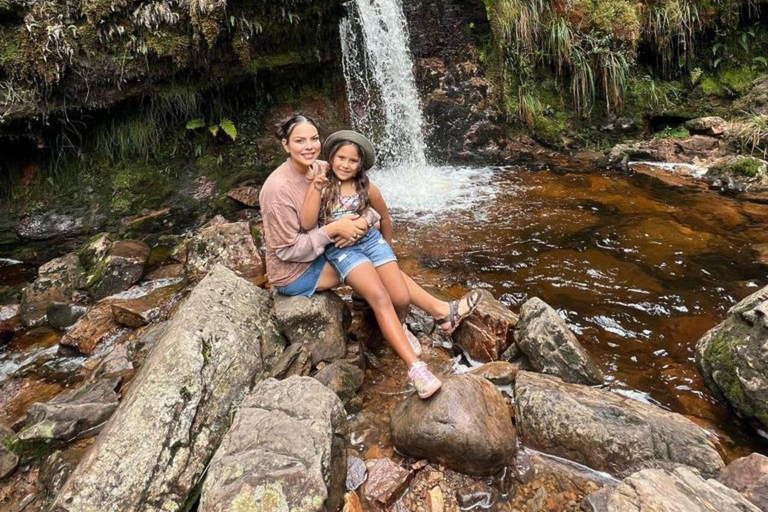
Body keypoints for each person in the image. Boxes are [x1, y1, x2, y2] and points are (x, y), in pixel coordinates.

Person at [259, 114, 482, 399]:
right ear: (284, 145)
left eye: (314, 138)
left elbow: (363, 200)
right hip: (297, 269)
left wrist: (363, 222)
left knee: (385, 277)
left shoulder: (326, 167)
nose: (308, 146)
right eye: (299, 141)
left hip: (333, 246)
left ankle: (440, 313)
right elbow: (288, 249)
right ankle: (419, 354)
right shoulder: (277, 189)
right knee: (377, 286)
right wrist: (334, 230)